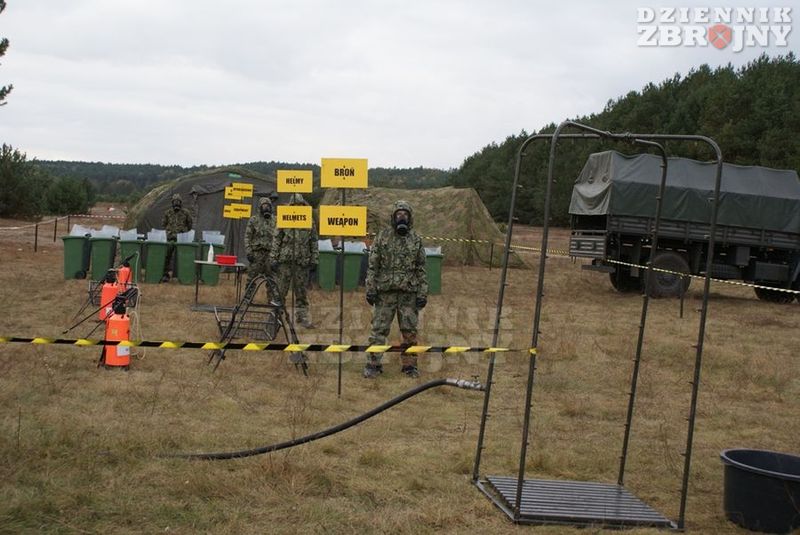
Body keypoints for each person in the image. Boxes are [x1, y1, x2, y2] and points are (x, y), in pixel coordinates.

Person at [363, 200, 428, 378]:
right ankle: (373, 364)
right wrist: (370, 288)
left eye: (405, 214)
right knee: (379, 329)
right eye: (399, 214)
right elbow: (373, 266)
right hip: (385, 294)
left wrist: (422, 293)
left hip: (408, 295)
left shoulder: (416, 240)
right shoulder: (382, 237)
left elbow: (421, 269)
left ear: (410, 217)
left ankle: (409, 366)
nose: (402, 217)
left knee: (409, 331)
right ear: (393, 217)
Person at [269, 193, 319, 328]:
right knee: (280, 290)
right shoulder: (283, 218)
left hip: (302, 261)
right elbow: (277, 239)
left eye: (300, 205)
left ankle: (302, 318)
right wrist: (273, 258)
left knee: (301, 292)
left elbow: (313, 241)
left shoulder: (309, 220)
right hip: (285, 261)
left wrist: (314, 258)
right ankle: (275, 317)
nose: (297, 207)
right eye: (295, 205)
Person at [244, 196, 279, 299]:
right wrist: (249, 252)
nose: (266, 207)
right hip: (257, 254)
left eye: (267, 205)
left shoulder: (275, 220)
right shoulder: (253, 220)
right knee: (251, 279)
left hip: (270, 254)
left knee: (272, 280)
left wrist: (276, 254)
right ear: (260, 207)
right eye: (264, 205)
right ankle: (247, 298)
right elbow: (247, 237)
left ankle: (273, 300)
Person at [161, 193, 192, 282]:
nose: (176, 203)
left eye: (178, 201)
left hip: (181, 239)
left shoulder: (186, 213)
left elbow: (189, 225)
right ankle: (165, 275)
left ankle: (181, 275)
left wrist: (183, 231)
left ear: (181, 202)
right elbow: (163, 224)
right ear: (172, 203)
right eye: (175, 202)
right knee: (167, 256)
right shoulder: (168, 212)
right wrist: (169, 232)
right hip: (170, 238)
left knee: (182, 257)